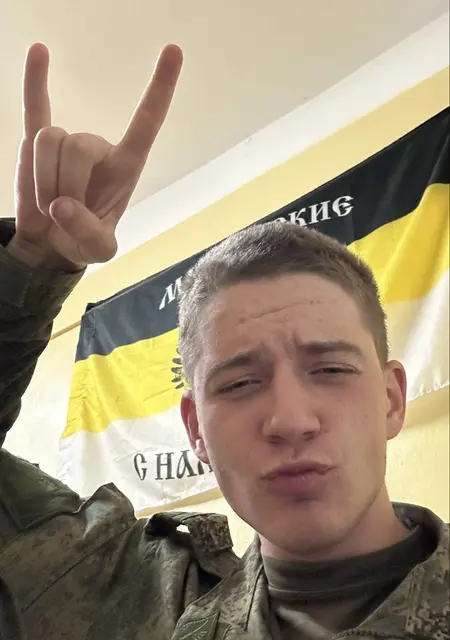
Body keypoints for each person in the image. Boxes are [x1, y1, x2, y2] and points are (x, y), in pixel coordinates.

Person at [0, 43, 448, 640]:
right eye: (239, 383)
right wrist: (29, 270)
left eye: (331, 370)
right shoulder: (134, 600)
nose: (290, 421)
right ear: (196, 430)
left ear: (391, 398)